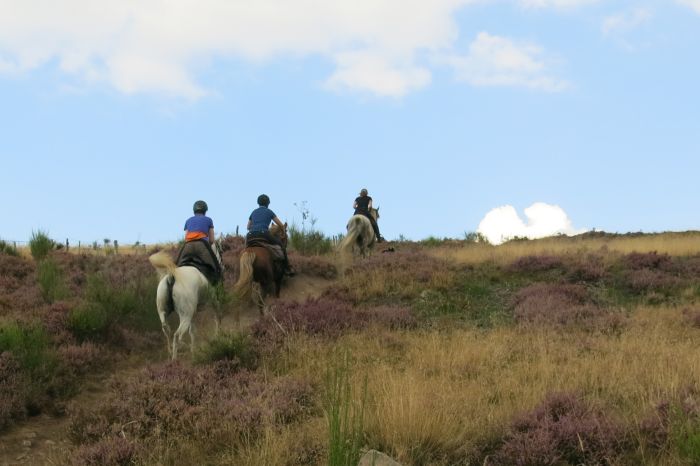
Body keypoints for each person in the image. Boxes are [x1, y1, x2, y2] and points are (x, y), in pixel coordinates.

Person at [246, 194, 294, 276]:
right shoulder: (269, 212)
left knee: (247, 249)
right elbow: (280, 225)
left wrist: (255, 229)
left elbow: (248, 227)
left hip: (250, 235)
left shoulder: (253, 212)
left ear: (258, 203)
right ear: (268, 203)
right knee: (281, 246)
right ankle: (287, 267)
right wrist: (283, 231)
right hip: (264, 234)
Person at [176, 200, 222, 284]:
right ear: (205, 210)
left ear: (194, 211)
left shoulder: (188, 220)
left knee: (175, 267)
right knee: (216, 268)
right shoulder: (208, 220)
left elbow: (186, 237)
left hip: (188, 246)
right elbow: (211, 240)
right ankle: (218, 287)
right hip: (202, 245)